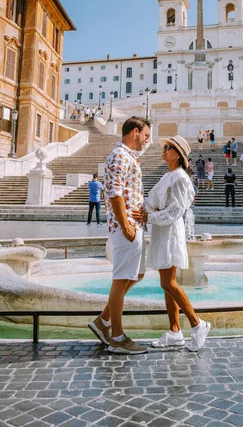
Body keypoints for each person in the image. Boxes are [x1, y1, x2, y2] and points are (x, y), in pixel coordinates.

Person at [134, 136, 211, 352]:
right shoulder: (168, 176)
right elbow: (151, 201)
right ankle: (175, 331)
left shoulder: (180, 178)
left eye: (168, 148)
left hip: (169, 232)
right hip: (161, 231)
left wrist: (150, 217)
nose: (164, 150)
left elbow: (177, 210)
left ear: (177, 154)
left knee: (169, 283)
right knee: (166, 283)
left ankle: (197, 324)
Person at [88, 116, 151, 355]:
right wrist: (125, 225)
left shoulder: (128, 157)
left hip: (133, 225)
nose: (147, 141)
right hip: (125, 227)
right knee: (121, 278)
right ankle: (117, 336)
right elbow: (113, 194)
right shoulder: (119, 156)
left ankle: (103, 321)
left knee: (138, 274)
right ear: (135, 132)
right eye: (146, 135)